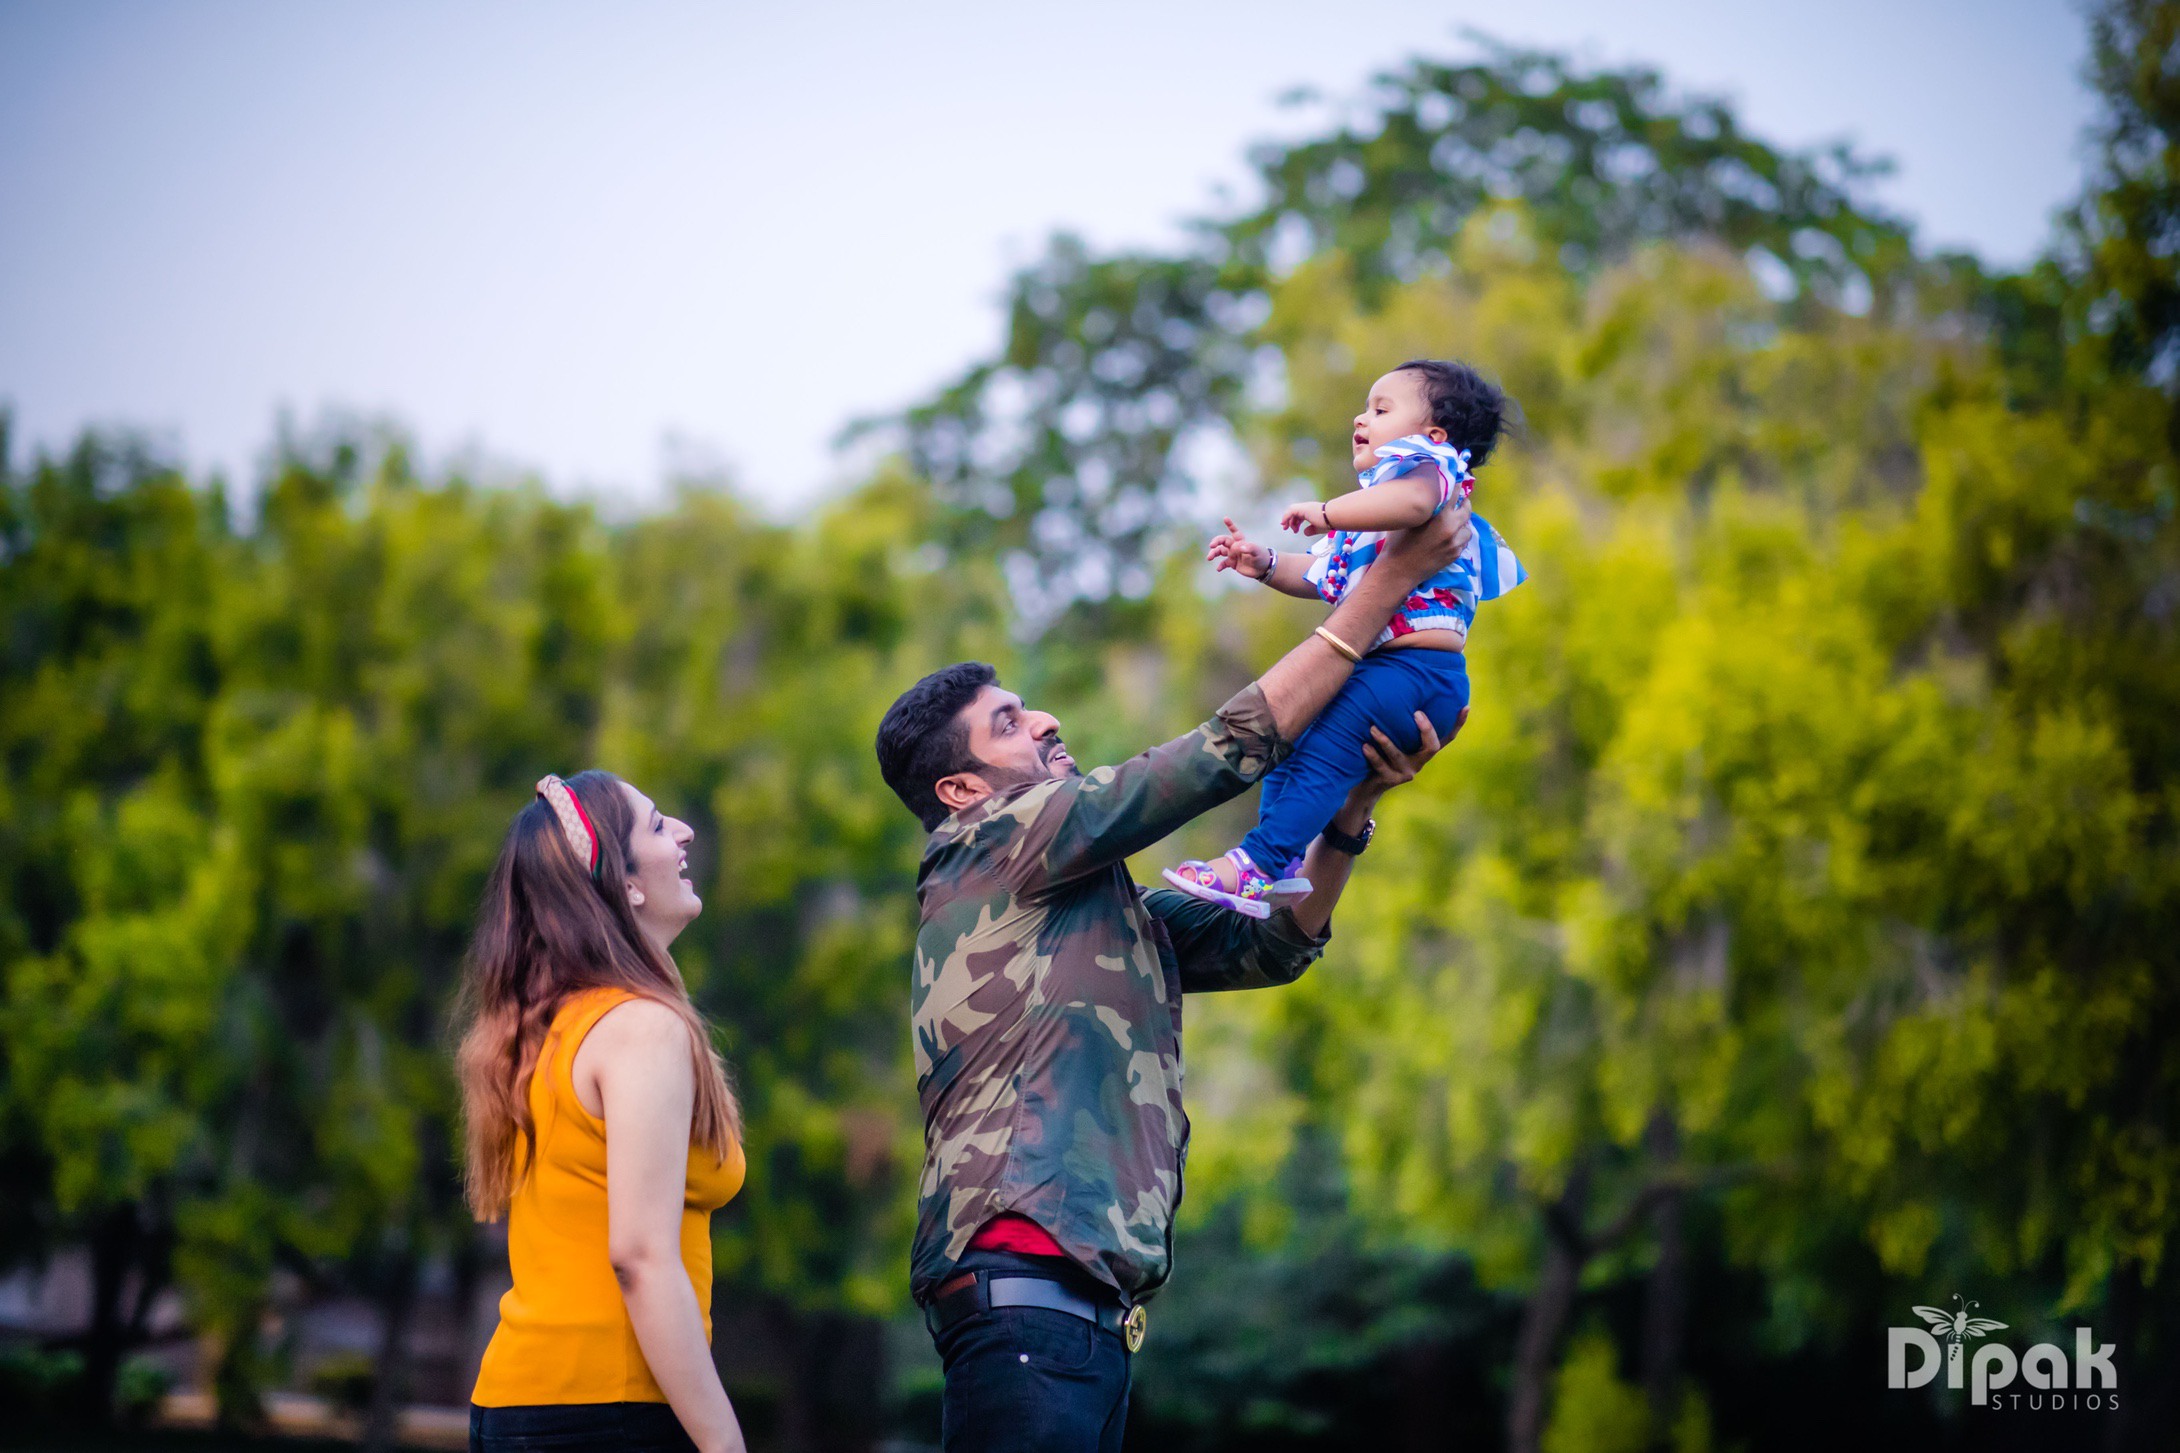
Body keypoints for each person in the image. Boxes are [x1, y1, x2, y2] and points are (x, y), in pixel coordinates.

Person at [872, 504, 1473, 1453]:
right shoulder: (989, 844)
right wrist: (1385, 589)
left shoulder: (1084, 902)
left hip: (1080, 1316)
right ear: (960, 789)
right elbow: (1214, 756)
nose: (1046, 719)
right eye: (1009, 723)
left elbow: (1271, 942)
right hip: (1025, 1292)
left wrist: (1351, 808)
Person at [1166, 359, 1526, 916]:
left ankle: (1256, 863)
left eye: (1382, 409)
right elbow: (1317, 575)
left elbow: (1412, 504)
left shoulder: (1433, 472)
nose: (1362, 417)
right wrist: (1261, 562)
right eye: (1366, 407)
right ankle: (1278, 863)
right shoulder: (1372, 514)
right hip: (1390, 674)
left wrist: (1327, 512)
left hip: (1414, 675)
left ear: (1433, 435)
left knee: (1322, 760)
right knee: (1288, 746)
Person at [457, 771, 750, 1453]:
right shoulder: (639, 1028)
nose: (684, 831)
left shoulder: (545, 1027)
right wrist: (722, 1440)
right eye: (655, 824)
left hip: (515, 1401)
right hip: (607, 1408)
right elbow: (641, 1257)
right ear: (625, 885)